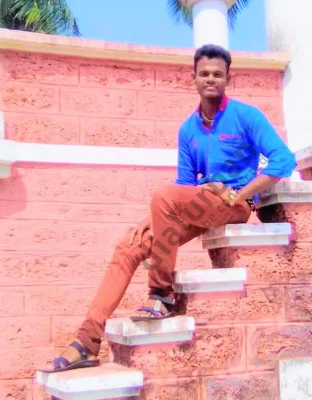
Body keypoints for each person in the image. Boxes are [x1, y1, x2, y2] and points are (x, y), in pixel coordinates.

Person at [40, 44, 296, 373]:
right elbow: (183, 186)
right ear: (194, 78)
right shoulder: (188, 129)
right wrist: (148, 220)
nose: (211, 79)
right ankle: (87, 341)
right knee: (129, 246)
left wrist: (240, 194)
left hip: (234, 204)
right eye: (204, 73)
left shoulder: (246, 116)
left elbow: (282, 160)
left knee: (163, 197)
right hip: (201, 201)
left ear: (227, 79)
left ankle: (161, 293)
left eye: (218, 74)